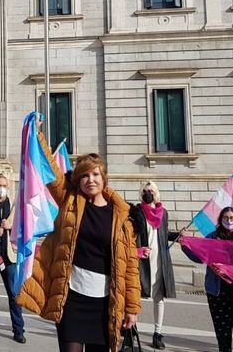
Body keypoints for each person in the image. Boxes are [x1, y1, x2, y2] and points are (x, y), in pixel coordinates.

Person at [17, 121, 141, 352]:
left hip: (106, 302)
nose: (90, 180)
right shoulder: (70, 201)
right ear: (78, 180)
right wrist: (38, 136)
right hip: (71, 297)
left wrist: (132, 308)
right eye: (84, 175)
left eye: (95, 174)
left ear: (104, 179)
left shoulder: (122, 216)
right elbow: (51, 173)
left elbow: (131, 266)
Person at [180, 207, 233, 352]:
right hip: (218, 291)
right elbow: (198, 256)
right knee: (222, 332)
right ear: (220, 220)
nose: (229, 221)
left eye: (232, 218)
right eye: (225, 218)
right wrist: (186, 244)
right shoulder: (212, 237)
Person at [130, 181, 177, 350]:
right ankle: (130, 331)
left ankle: (158, 334)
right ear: (141, 193)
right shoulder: (136, 211)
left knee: (159, 299)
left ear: (156, 193)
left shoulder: (163, 213)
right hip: (142, 261)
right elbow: (129, 234)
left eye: (151, 191)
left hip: (159, 260)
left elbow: (165, 233)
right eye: (145, 191)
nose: (148, 193)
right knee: (135, 297)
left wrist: (179, 235)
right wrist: (136, 250)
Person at [0, 175, 26, 344]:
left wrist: (12, 226)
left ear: (8, 188)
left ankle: (18, 329)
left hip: (8, 256)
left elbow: (25, 228)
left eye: (4, 185)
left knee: (13, 294)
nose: (1, 188)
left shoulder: (15, 208)